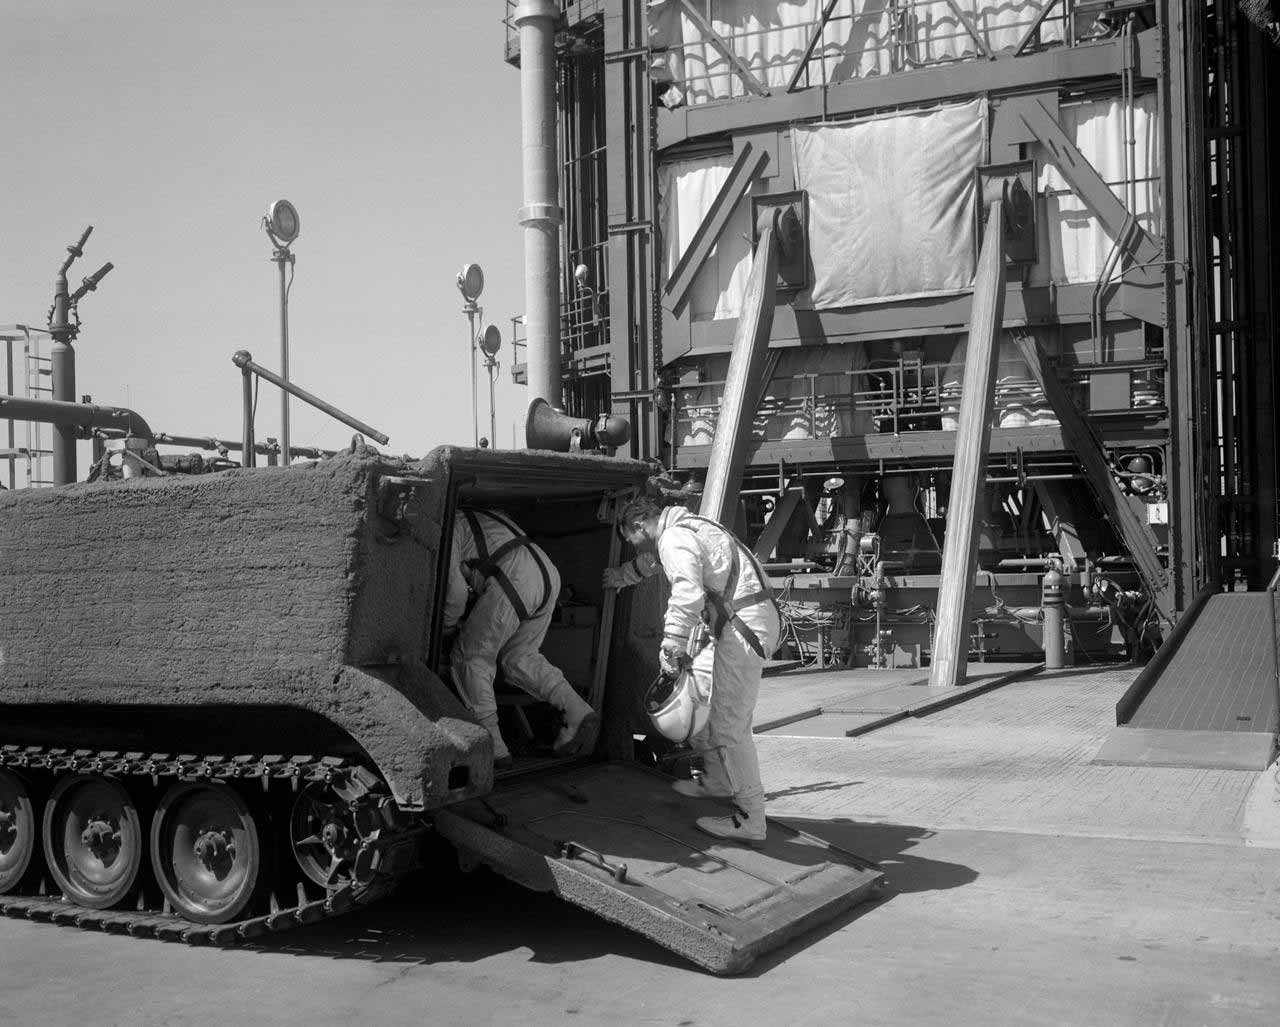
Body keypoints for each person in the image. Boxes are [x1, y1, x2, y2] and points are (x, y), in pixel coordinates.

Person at [605, 495, 781, 846]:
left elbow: (687, 590)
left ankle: (750, 819)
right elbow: (654, 564)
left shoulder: (673, 537)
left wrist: (672, 643)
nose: (634, 544)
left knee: (730, 725)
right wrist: (622, 576)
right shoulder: (692, 527)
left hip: (742, 627)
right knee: (706, 704)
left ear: (640, 525)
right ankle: (716, 780)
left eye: (632, 538)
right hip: (748, 621)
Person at [443, 507, 599, 769]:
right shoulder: (486, 516)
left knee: (471, 658)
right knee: (519, 657)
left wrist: (447, 628)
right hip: (547, 574)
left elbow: (456, 592)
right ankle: (577, 711)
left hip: (515, 578)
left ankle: (494, 749)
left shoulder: (449, 527)